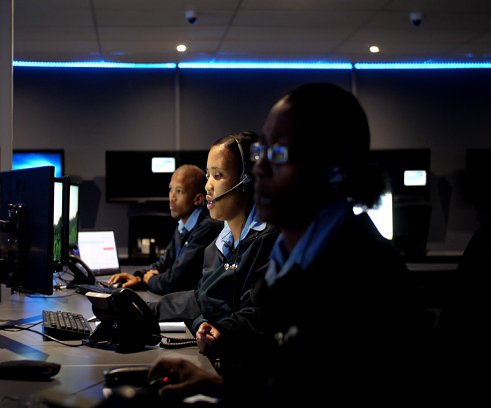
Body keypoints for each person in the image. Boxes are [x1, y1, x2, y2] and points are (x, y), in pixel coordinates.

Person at [148, 84, 436, 405]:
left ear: (333, 170)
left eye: (279, 153)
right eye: (261, 153)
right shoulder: (294, 257)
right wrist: (218, 384)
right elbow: (291, 379)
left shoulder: (361, 274)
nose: (259, 168)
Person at [147, 132, 280, 333]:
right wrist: (144, 310)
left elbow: (258, 315)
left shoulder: (269, 242)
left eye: (218, 176)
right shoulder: (217, 247)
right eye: (208, 175)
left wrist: (220, 332)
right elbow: (203, 301)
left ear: (246, 179)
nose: (208, 186)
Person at [108, 165, 222, 295]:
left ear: (198, 199)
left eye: (179, 191)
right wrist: (140, 277)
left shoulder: (207, 228)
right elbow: (165, 264)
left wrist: (150, 280)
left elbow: (175, 282)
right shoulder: (183, 225)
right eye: (171, 189)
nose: (172, 198)